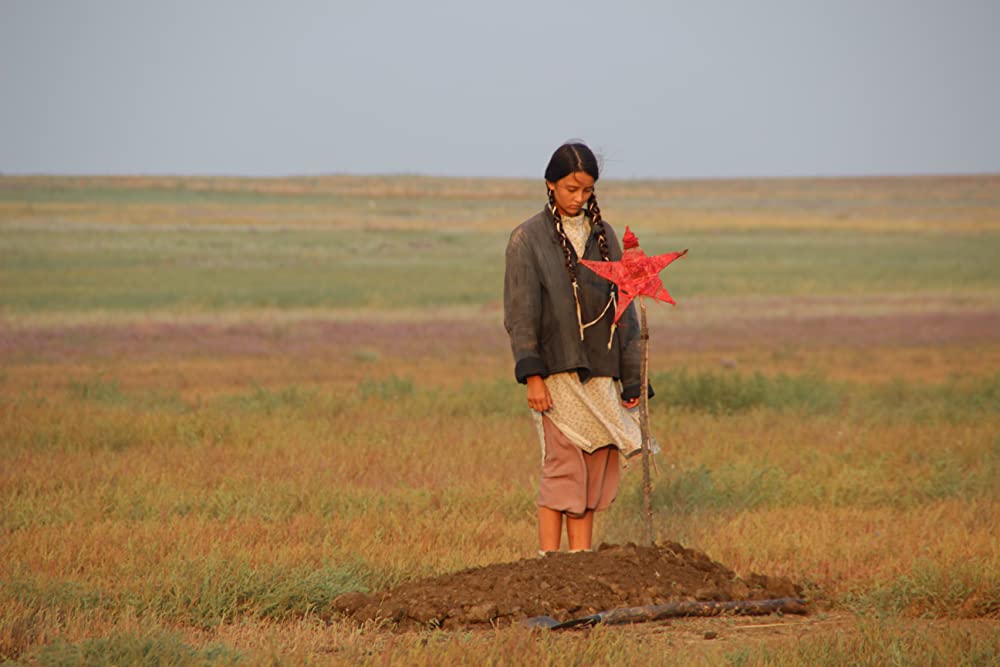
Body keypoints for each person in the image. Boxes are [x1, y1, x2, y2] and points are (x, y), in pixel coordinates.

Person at [503, 141, 649, 555]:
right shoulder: (527, 238)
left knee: (594, 466)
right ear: (550, 184)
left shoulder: (605, 237)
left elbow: (626, 312)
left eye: (586, 190)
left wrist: (633, 378)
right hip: (555, 373)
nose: (578, 198)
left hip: (602, 372)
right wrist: (533, 376)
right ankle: (548, 564)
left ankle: (580, 565)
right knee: (563, 469)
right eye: (571, 188)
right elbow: (520, 314)